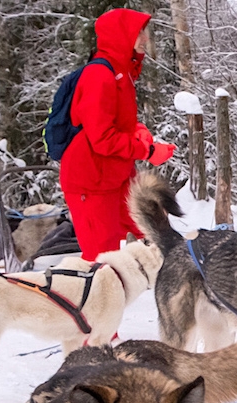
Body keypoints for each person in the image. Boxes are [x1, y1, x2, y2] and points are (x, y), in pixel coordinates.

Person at [59, 7, 177, 261]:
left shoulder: (120, 74)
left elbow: (113, 123)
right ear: (121, 36)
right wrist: (148, 150)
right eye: (140, 33)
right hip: (90, 183)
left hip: (117, 175)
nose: (146, 39)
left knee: (154, 232)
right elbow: (101, 138)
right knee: (102, 261)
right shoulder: (99, 75)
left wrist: (138, 130)